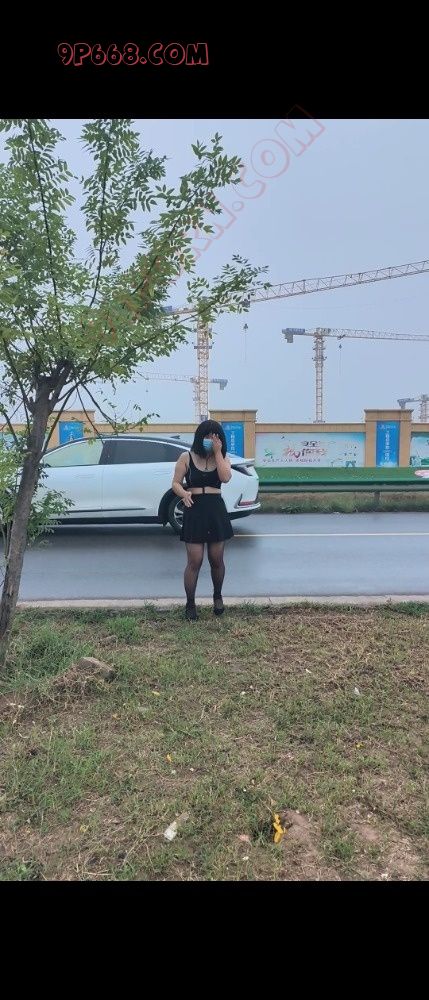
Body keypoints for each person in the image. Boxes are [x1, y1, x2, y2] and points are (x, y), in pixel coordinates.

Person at [172, 420, 233, 621]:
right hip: (194, 509)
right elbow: (175, 483)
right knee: (194, 560)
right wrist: (183, 493)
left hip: (215, 510)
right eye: (207, 436)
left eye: (215, 436)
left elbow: (225, 478)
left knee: (216, 559)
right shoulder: (186, 457)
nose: (210, 440)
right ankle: (190, 603)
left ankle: (218, 596)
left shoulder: (223, 457)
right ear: (200, 437)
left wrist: (217, 452)